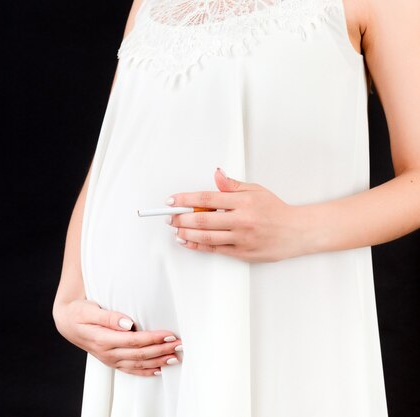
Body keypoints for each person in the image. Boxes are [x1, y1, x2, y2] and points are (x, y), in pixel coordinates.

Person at [53, 0, 419, 415]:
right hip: (137, 361)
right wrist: (70, 297)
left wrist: (298, 228)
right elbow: (114, 152)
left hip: (279, 332)